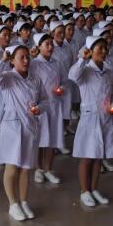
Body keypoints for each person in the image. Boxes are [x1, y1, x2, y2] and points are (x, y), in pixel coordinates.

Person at [0, 45, 47, 221]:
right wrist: (3, 60)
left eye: (27, 56)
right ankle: (13, 204)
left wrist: (39, 108)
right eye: (21, 57)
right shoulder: (7, 78)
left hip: (30, 126)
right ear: (12, 61)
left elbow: (45, 100)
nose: (26, 60)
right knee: (12, 167)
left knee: (26, 168)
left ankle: (24, 201)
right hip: (12, 128)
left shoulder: (35, 79)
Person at [69, 36, 113, 207]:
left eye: (105, 48)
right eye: (100, 48)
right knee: (87, 156)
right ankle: (85, 191)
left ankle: (94, 188)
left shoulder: (108, 71)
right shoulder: (85, 70)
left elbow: (112, 93)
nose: (104, 51)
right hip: (90, 118)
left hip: (105, 117)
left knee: (98, 157)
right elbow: (72, 75)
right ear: (90, 51)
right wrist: (82, 59)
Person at [30, 33, 65, 184]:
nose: (51, 47)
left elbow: (65, 81)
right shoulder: (33, 64)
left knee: (52, 139)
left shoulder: (58, 63)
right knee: (40, 140)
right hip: (40, 106)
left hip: (55, 105)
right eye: (47, 44)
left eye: (51, 44)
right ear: (39, 47)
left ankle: (48, 169)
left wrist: (61, 88)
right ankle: (38, 168)